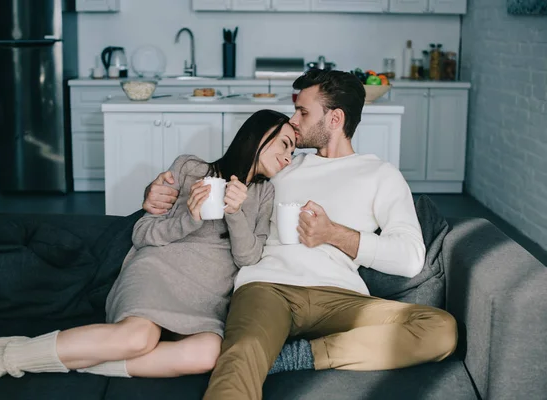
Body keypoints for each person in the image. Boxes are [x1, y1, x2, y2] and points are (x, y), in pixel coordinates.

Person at [144, 70, 458, 400]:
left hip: (341, 296)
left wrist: (334, 234)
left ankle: (299, 357)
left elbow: (410, 258)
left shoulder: (380, 174)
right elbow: (219, 175)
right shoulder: (284, 165)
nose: (293, 121)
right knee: (239, 362)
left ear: (335, 118)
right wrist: (158, 193)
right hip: (267, 287)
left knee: (440, 329)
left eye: (303, 112)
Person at [0, 109, 296, 390]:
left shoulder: (265, 195)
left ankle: (66, 356)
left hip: (207, 296)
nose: (289, 155)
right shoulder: (192, 169)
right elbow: (143, 232)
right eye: (284, 144)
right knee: (138, 336)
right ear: (259, 136)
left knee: (208, 353)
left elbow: (249, 258)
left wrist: (235, 214)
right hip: (158, 271)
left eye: (294, 150)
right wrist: (188, 218)